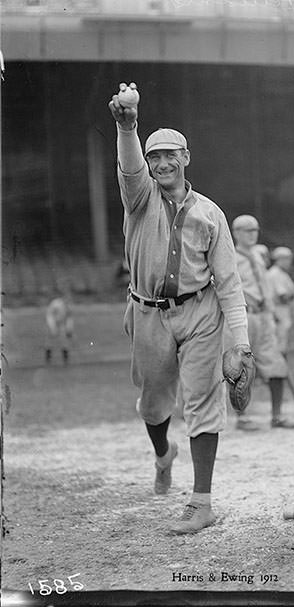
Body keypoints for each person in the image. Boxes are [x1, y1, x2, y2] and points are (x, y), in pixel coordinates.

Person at [109, 82, 251, 534]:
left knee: (203, 402)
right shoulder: (139, 200)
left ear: (186, 158)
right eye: (155, 156)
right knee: (154, 406)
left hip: (200, 312)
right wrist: (128, 128)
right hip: (148, 313)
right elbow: (129, 169)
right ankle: (163, 455)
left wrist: (242, 343)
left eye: (171, 154)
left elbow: (228, 282)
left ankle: (201, 502)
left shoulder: (210, 213)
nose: (163, 162)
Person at [231, 215, 294, 431]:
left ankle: (277, 415)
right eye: (246, 230)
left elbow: (266, 287)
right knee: (240, 368)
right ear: (236, 233)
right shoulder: (230, 257)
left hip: (264, 316)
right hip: (244, 317)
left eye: (255, 230)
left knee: (276, 364)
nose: (252, 234)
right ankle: (242, 418)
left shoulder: (259, 257)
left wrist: (271, 313)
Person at [266, 246, 294, 357]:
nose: (289, 262)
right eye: (287, 259)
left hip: (282, 311)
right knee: (279, 343)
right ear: (280, 259)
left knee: (282, 342)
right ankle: (279, 371)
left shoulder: (282, 274)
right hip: (279, 311)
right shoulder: (275, 274)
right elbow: (283, 296)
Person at [45, 291, 74, 365]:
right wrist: (52, 327)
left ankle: (65, 359)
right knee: (49, 341)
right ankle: (48, 359)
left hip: (62, 324)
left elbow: (69, 317)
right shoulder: (55, 304)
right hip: (53, 323)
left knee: (64, 340)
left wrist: (69, 327)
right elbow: (49, 315)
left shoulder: (68, 306)